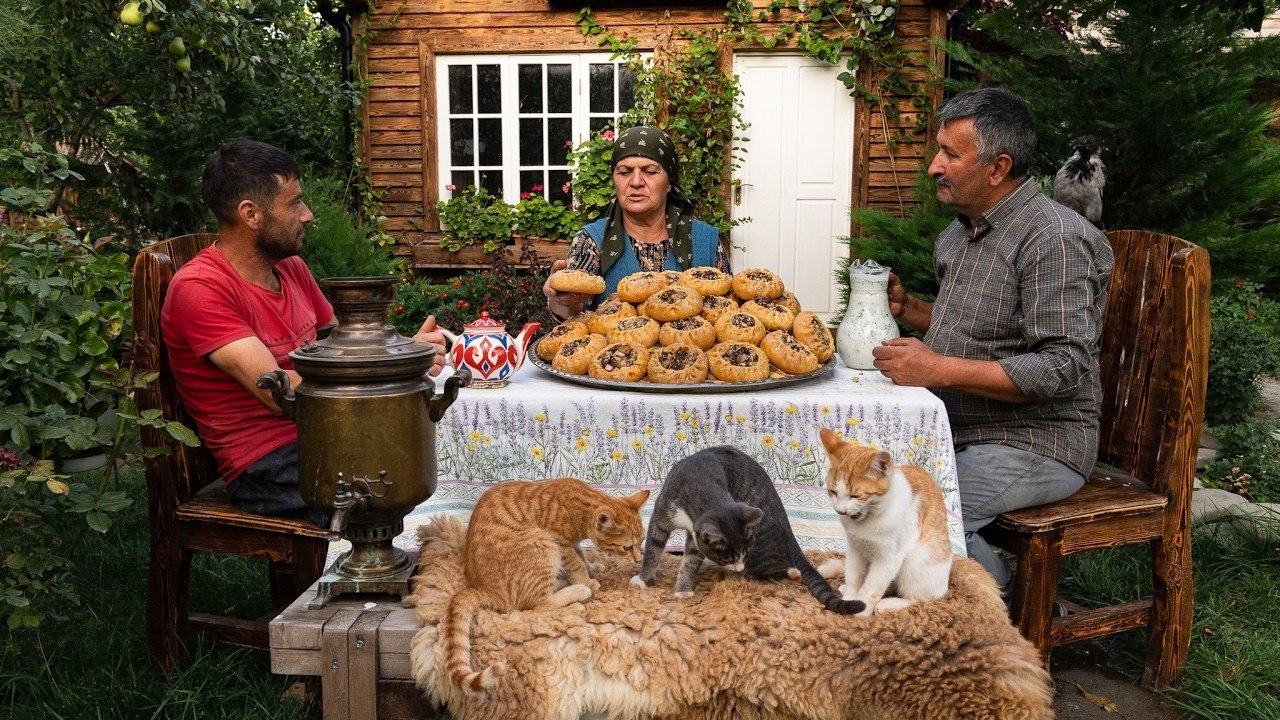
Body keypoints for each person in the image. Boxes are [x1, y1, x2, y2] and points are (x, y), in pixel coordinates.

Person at [871, 88, 1114, 599]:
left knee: (910, 514)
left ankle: (1008, 610)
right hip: (961, 429)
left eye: (950, 154)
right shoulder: (958, 236)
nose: (934, 166)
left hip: (1038, 439)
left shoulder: (1052, 238)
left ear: (998, 167)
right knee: (864, 492)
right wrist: (911, 311)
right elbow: (985, 333)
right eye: (938, 150)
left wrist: (938, 371)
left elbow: (1062, 366)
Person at [162, 138, 447, 526]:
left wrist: (400, 353)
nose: (308, 214)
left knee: (438, 448)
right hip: (265, 463)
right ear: (251, 214)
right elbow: (278, 394)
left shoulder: (290, 268)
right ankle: (389, 582)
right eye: (294, 203)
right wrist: (391, 367)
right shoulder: (200, 287)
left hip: (326, 434)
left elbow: (341, 342)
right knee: (400, 484)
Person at [543, 125, 730, 319]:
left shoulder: (706, 241)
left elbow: (731, 311)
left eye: (649, 171)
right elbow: (573, 320)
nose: (636, 182)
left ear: (669, 183)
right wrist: (561, 302)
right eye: (624, 172)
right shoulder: (592, 241)